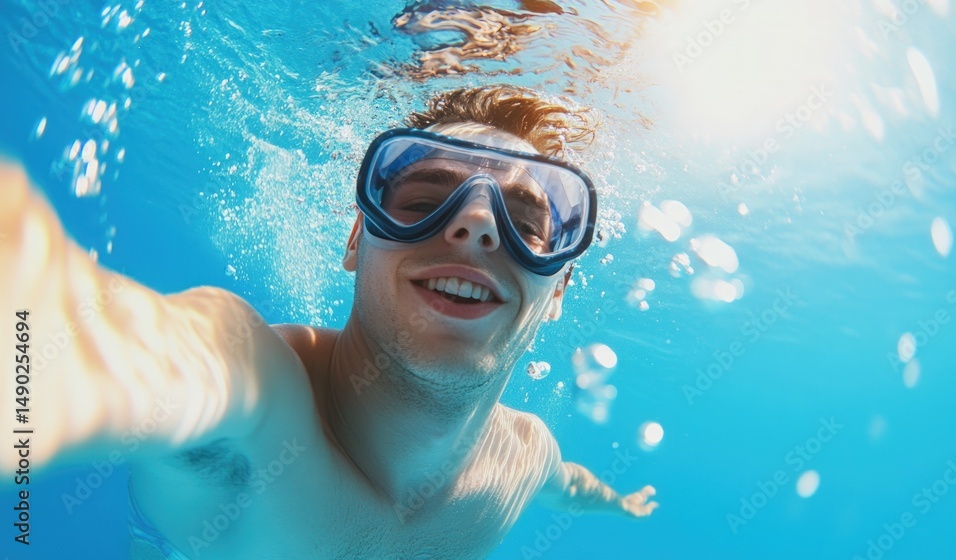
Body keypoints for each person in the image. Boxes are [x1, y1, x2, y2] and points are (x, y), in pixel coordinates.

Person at [0, 85, 657, 559]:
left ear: (560, 287)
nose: (479, 224)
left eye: (526, 224)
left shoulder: (522, 457)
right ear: (355, 242)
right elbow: (123, 348)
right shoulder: (252, 400)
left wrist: (617, 502)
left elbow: (565, 484)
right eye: (424, 201)